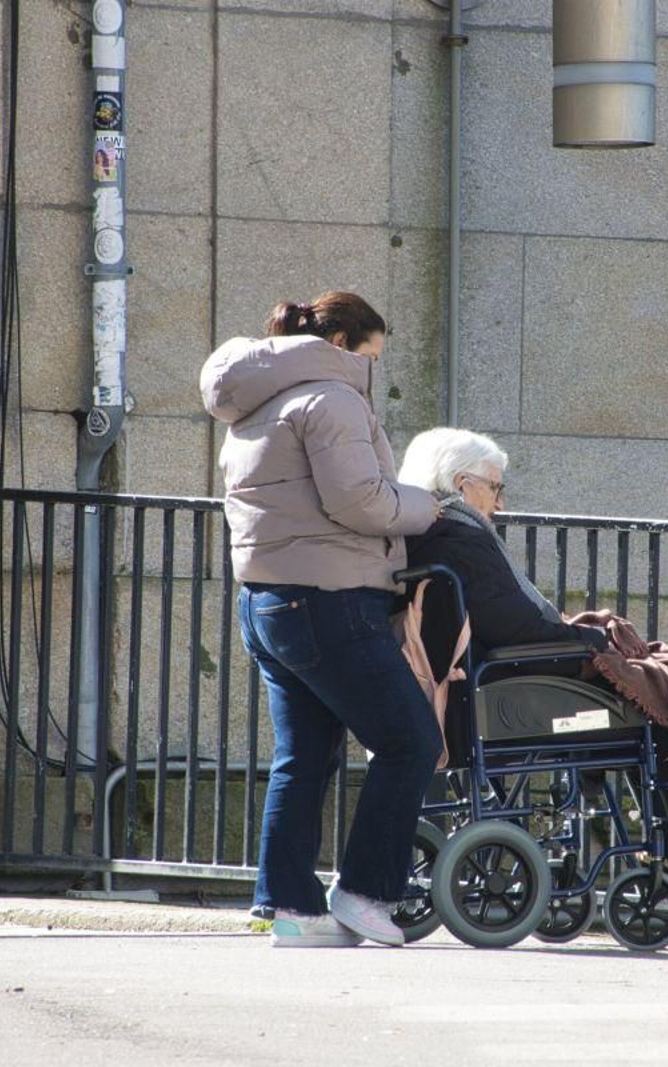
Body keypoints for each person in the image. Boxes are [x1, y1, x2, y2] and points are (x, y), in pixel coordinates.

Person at [397, 428, 668, 893]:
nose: (500, 502)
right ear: (460, 484)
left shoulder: (432, 535)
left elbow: (507, 620)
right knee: (666, 710)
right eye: (494, 487)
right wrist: (590, 637)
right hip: (510, 687)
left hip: (491, 685)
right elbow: (515, 627)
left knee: (644, 695)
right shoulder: (461, 537)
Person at [202, 291, 443, 948]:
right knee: (411, 740)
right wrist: (427, 506)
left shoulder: (253, 404)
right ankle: (366, 892)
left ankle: (290, 907)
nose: (374, 371)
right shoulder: (330, 400)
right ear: (342, 344)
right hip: (329, 600)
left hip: (268, 603)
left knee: (302, 758)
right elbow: (361, 500)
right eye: (372, 356)